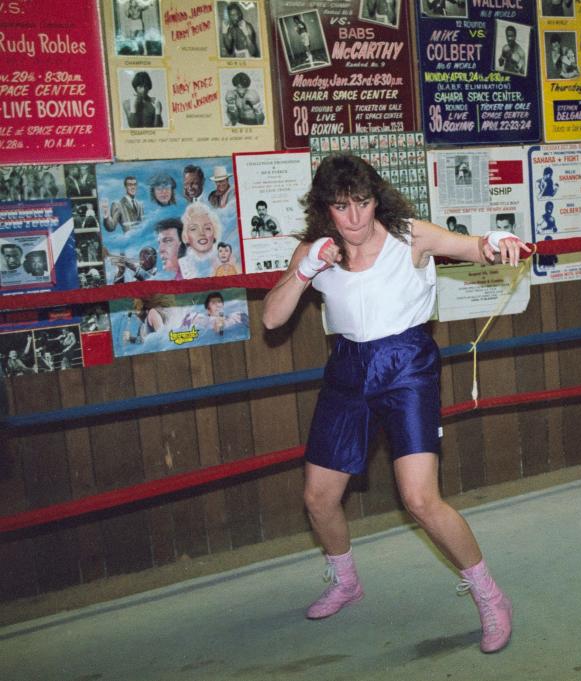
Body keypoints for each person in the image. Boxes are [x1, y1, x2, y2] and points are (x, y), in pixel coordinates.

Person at [261, 153, 528, 654]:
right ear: (327, 209)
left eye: (363, 203)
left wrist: (497, 241)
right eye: (342, 207)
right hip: (346, 368)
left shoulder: (409, 234)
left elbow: (472, 247)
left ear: (375, 199)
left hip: (406, 365)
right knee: (318, 497)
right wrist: (305, 271)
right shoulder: (314, 249)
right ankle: (346, 581)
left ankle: (491, 596)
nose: (356, 218)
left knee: (421, 499)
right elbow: (273, 319)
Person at [179, 203, 223, 278]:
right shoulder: (182, 266)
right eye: (193, 229)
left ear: (215, 233)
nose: (201, 233)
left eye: (207, 228)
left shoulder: (224, 258)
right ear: (186, 237)